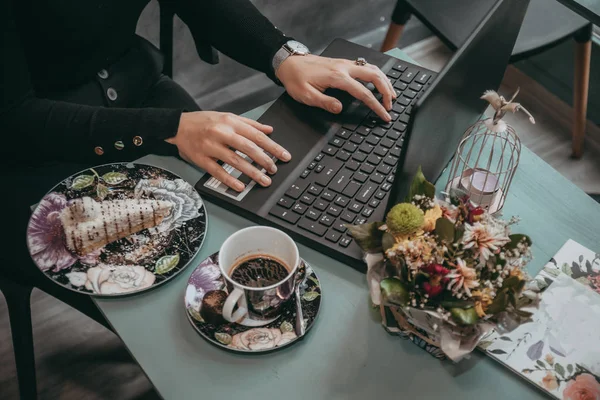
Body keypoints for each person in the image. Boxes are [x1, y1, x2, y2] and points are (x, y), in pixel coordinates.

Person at [1, 0, 395, 332]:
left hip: (141, 93)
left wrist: (286, 55)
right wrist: (169, 129)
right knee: (198, 312)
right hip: (34, 150)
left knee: (251, 241)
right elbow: (14, 118)